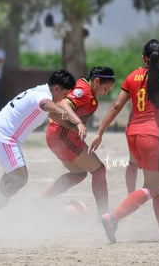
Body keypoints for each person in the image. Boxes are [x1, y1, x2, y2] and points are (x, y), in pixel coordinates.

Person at [89, 39, 159, 243]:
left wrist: (100, 131)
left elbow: (116, 106)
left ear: (143, 58)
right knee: (152, 187)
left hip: (133, 134)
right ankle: (112, 219)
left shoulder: (132, 77)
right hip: (154, 136)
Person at [0, 70, 77, 214]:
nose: (63, 99)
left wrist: (73, 127)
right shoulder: (43, 96)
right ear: (57, 88)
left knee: (12, 173)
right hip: (3, 138)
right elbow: (45, 104)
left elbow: (51, 114)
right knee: (20, 177)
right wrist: (59, 109)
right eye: (64, 94)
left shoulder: (42, 91)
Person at [40, 66, 115, 218]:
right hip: (62, 137)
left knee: (79, 174)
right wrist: (78, 123)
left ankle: (41, 201)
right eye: (105, 89)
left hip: (59, 137)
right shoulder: (84, 91)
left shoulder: (87, 91)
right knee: (99, 170)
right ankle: (104, 215)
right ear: (96, 81)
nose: (105, 93)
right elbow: (63, 105)